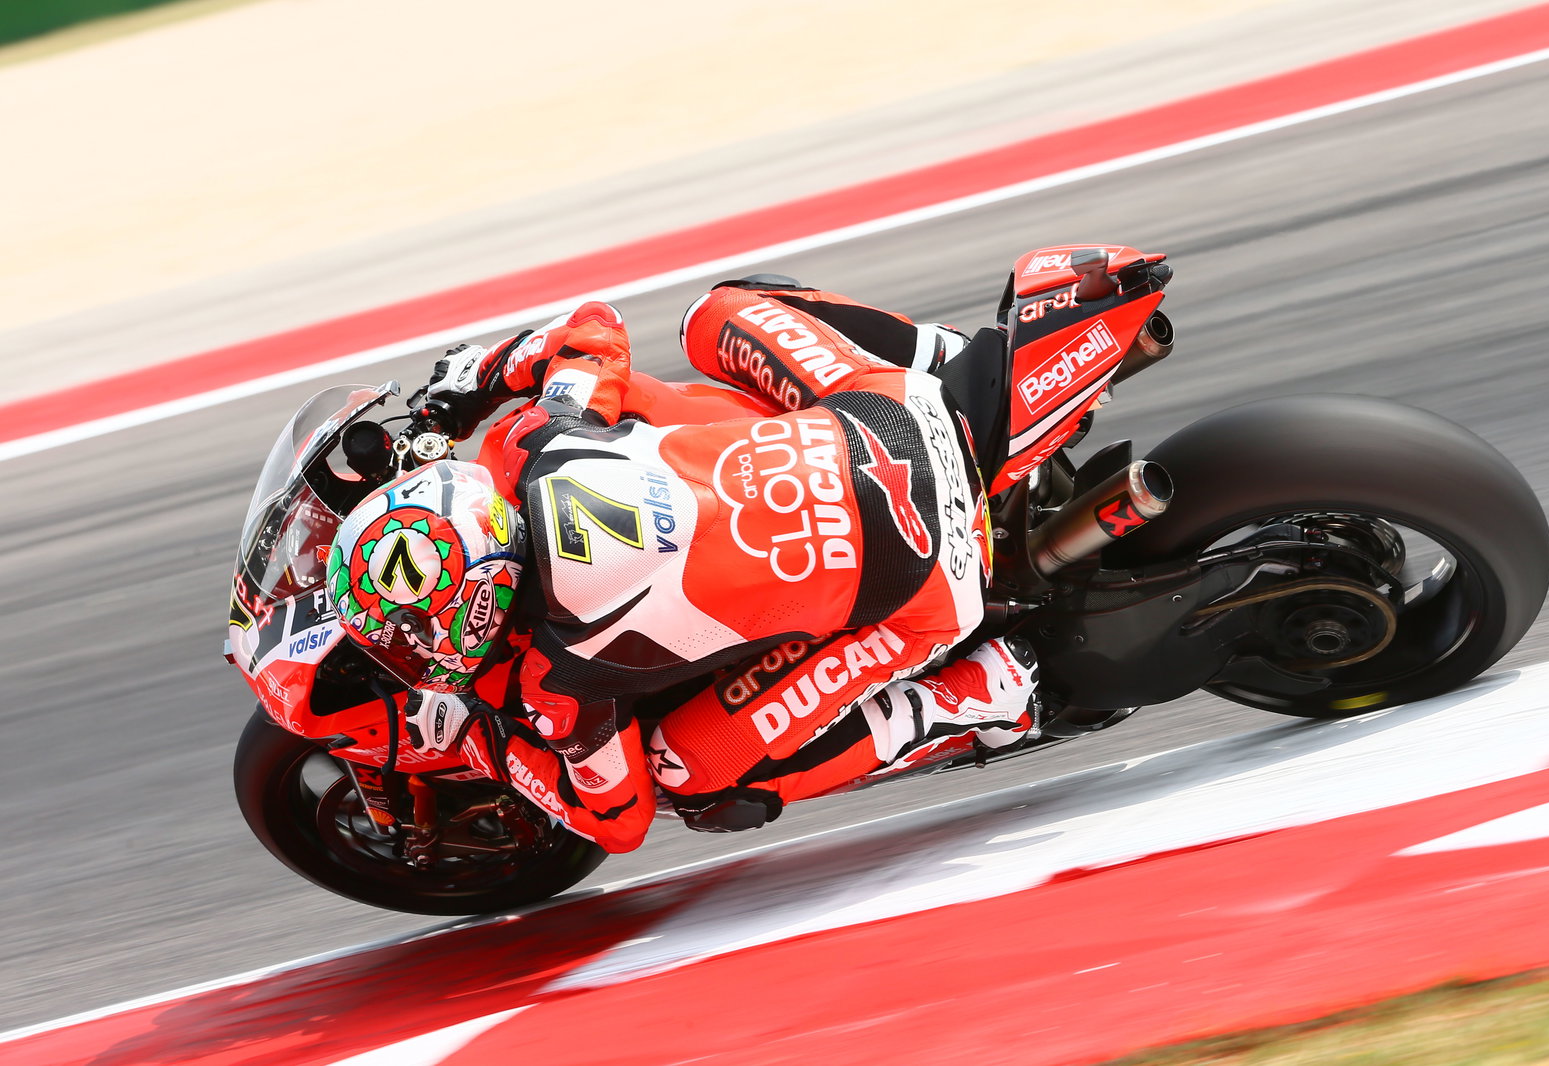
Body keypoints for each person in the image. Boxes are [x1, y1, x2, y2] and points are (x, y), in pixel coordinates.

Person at [328, 277, 1042, 854]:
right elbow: (591, 327)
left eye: (415, 631)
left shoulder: (557, 685)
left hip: (928, 587)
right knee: (712, 312)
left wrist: (480, 744)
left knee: (686, 779)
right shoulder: (539, 435)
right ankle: (941, 358)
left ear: (478, 608)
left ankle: (971, 695)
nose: (409, 649)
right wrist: (473, 387)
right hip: (895, 413)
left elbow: (619, 822)